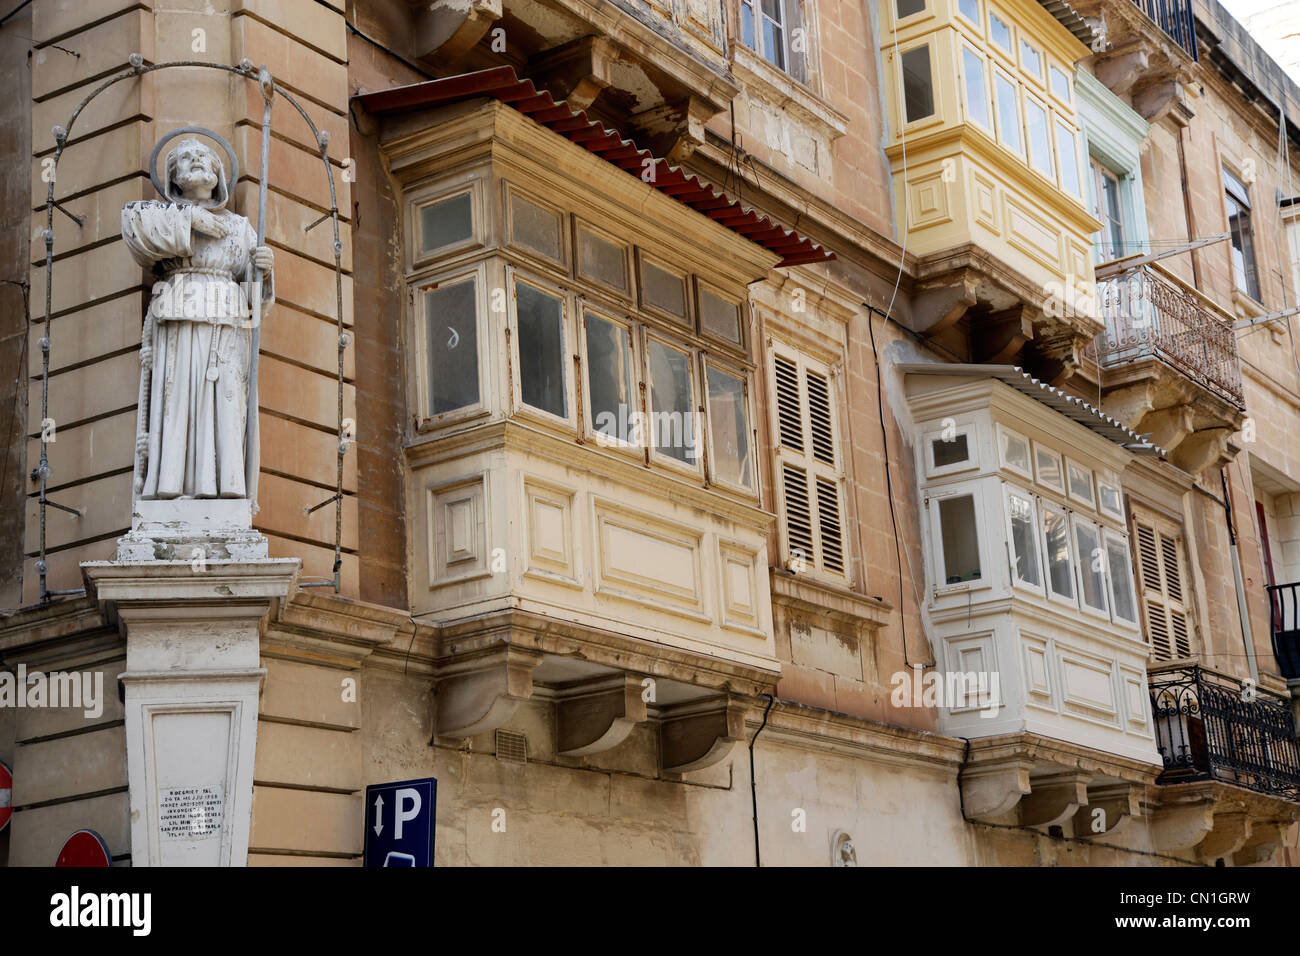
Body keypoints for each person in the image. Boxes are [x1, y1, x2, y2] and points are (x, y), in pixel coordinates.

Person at [121, 138, 273, 500]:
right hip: (180, 319)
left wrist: (262, 272)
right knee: (177, 398)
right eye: (186, 158)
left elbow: (255, 301)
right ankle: (171, 485)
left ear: (218, 174)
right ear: (173, 176)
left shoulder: (239, 227)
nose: (197, 161)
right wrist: (191, 219)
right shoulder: (159, 216)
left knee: (227, 401)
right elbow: (135, 226)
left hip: (228, 324)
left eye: (204, 157)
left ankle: (226, 486)